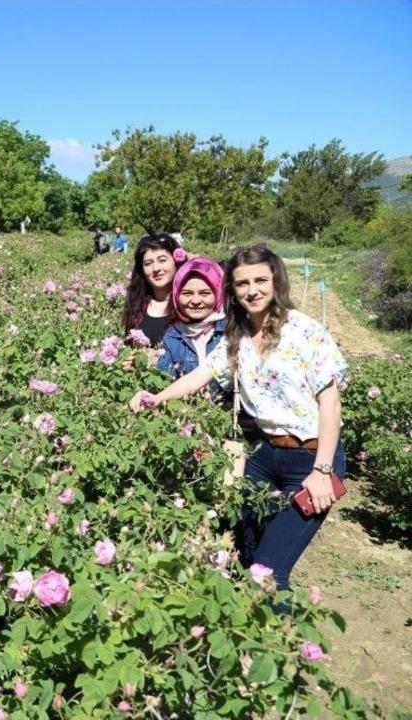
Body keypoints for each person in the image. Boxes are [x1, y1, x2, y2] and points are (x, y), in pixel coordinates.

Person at [130, 245, 348, 595]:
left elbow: (330, 404)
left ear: (277, 281)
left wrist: (322, 471)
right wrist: (156, 397)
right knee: (243, 551)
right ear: (232, 290)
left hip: (310, 458)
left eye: (261, 280)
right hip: (263, 456)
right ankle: (245, 637)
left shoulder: (306, 331)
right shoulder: (239, 334)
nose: (252, 290)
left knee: (268, 572)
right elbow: (202, 373)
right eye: (242, 283)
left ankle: (281, 645)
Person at [157, 256, 228, 388]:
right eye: (187, 293)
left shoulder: (231, 330)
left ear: (218, 294)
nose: (195, 301)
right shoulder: (172, 336)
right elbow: (164, 382)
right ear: (177, 295)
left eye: (205, 293)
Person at [123, 234, 180, 346]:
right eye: (148, 263)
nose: (156, 269)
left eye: (162, 260)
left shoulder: (188, 304)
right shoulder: (136, 305)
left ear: (176, 262)